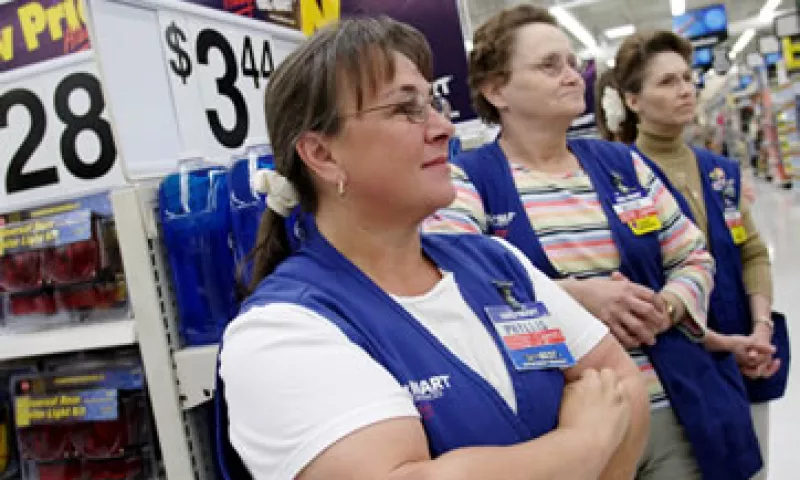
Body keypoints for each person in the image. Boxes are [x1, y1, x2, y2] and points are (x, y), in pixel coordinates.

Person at [214, 16, 649, 480]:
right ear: (322, 154)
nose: (444, 127)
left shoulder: (496, 262)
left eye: (433, 103)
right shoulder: (280, 333)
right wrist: (584, 443)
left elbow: (624, 386)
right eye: (406, 109)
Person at [424, 5, 762, 480]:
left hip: (672, 406)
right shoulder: (466, 183)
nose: (571, 76)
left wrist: (664, 308)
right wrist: (576, 298)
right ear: (495, 89)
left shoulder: (624, 165)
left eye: (571, 62)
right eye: (549, 66)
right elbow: (457, 288)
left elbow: (693, 254)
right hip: (562, 428)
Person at [599, 30, 791, 480]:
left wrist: (760, 329)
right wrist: (716, 342)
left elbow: (753, 253)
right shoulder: (617, 179)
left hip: (748, 350)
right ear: (633, 100)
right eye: (667, 82)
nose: (686, 89)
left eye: (687, 78)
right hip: (674, 360)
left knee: (753, 467)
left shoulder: (719, 172)